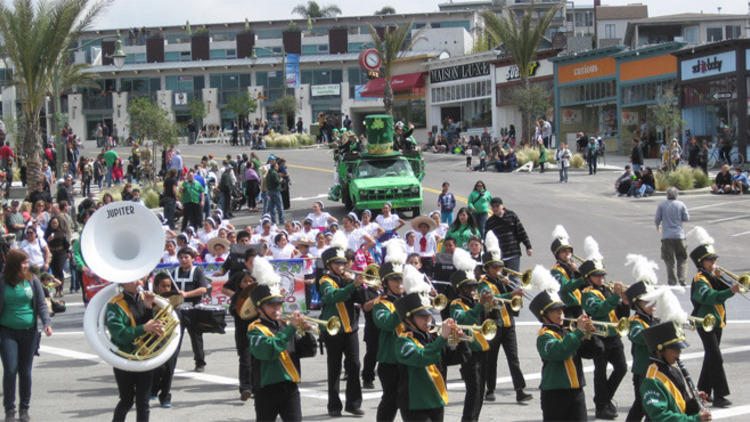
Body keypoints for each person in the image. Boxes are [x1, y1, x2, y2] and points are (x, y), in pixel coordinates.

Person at [247, 259, 316, 422]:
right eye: (271, 305)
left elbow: (307, 352)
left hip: (290, 388)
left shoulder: (285, 325)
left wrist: (306, 333)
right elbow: (269, 351)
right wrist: (292, 328)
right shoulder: (255, 329)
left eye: (279, 304)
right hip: (266, 389)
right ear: (260, 308)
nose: (277, 309)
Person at [478, 233, 531, 404]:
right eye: (494, 267)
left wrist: (510, 287)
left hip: (508, 324)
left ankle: (520, 390)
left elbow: (512, 302)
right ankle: (490, 389)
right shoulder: (483, 283)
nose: (498, 270)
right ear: (487, 268)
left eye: (500, 267)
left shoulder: (503, 281)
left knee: (513, 358)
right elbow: (491, 298)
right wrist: (511, 292)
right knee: (491, 359)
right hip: (494, 325)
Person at [688, 226, 738, 409]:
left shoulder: (713, 276)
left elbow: (730, 288)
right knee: (716, 358)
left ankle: (703, 390)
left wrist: (726, 281)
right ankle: (720, 395)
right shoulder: (700, 279)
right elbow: (708, 297)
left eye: (714, 259)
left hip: (717, 322)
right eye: (710, 260)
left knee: (711, 357)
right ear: (702, 262)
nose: (714, 262)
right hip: (705, 323)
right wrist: (728, 290)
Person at [0, 250, 52, 422]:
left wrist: (46, 323)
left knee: (25, 372)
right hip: (7, 331)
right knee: (10, 369)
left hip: (29, 332)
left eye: (27, 262)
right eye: (23, 262)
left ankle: (24, 409)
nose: (26, 265)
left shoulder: (32, 280)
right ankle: (9, 410)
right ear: (14, 263)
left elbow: (41, 303)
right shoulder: (3, 281)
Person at [530, 289, 595, 422]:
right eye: (555, 310)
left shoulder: (568, 332)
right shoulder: (544, 337)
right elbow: (560, 351)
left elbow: (592, 352)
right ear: (544, 316)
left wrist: (590, 335)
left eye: (561, 310)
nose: (561, 313)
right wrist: (578, 332)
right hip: (555, 394)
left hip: (576, 391)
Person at [107, 275, 163, 422]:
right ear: (123, 283)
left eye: (140, 279)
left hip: (145, 355)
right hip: (124, 356)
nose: (139, 282)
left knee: (143, 402)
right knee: (126, 400)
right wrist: (144, 327)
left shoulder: (145, 298)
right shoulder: (115, 304)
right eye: (134, 279)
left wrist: (149, 308)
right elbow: (119, 334)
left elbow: (150, 329)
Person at [318, 242, 365, 416]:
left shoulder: (347, 278)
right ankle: (334, 406)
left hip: (350, 328)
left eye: (343, 263)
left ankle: (353, 404)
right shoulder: (325, 280)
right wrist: (352, 285)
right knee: (335, 367)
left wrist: (358, 285)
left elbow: (360, 299)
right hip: (334, 329)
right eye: (337, 263)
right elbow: (332, 297)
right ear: (329, 265)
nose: (341, 266)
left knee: (354, 365)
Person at [580, 257, 629, 419]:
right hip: (599, 336)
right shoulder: (587, 294)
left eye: (602, 275)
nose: (601, 279)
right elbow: (599, 310)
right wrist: (615, 297)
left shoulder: (607, 290)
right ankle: (602, 406)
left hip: (614, 335)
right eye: (597, 276)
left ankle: (603, 400)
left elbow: (622, 314)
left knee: (621, 368)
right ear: (588, 278)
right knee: (600, 372)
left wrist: (625, 302)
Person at [449, 249, 494, 422]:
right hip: (468, 351)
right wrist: (479, 306)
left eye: (474, 287)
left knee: (480, 391)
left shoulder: (476, 302)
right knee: (473, 390)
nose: (473, 290)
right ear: (460, 289)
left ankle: (474, 419)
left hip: (482, 349)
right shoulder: (456, 304)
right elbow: (463, 321)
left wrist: (489, 306)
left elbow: (487, 322)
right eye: (468, 287)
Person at [394, 292, 453, 422]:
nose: (428, 320)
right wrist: (443, 338)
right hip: (415, 403)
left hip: (436, 398)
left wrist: (457, 342)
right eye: (422, 317)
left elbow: (453, 359)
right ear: (409, 320)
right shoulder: (403, 342)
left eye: (429, 315)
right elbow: (421, 358)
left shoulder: (432, 337)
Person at [640, 322, 712, 421]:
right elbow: (660, 417)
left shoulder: (674, 370)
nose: (679, 352)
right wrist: (695, 420)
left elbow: (681, 408)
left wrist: (694, 403)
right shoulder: (652, 379)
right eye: (675, 348)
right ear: (659, 350)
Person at [220, 247, 257, 401]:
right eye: (245, 282)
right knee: (245, 359)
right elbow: (236, 312)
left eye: (250, 282)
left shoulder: (259, 289)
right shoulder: (237, 296)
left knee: (258, 359)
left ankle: (257, 386)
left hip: (258, 330)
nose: (247, 283)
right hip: (243, 332)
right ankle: (245, 388)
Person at [371, 257, 405, 421]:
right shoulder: (380, 304)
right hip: (390, 359)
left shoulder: (410, 299)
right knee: (390, 400)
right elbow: (387, 324)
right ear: (385, 282)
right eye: (394, 279)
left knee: (409, 401)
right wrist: (404, 306)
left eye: (401, 279)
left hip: (409, 356)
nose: (399, 282)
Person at [624, 281, 659, 422]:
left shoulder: (655, 319)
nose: (652, 305)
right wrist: (660, 331)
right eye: (647, 302)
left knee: (647, 405)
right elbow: (638, 336)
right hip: (642, 371)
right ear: (637, 304)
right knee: (643, 405)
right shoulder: (634, 321)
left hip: (657, 369)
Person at [171, 247, 209, 372]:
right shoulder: (174, 272)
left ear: (192, 258)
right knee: (175, 338)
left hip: (193, 309)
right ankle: (171, 363)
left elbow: (203, 289)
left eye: (186, 257)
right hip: (177, 310)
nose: (183, 260)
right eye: (181, 257)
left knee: (196, 337)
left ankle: (200, 362)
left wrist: (186, 294)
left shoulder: (197, 271)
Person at [149, 273, 182, 409]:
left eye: (169, 285)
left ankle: (165, 396)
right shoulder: (151, 300)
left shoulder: (175, 298)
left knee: (170, 367)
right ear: (156, 287)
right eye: (163, 286)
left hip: (172, 336)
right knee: (158, 365)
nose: (167, 289)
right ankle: (154, 389)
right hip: (156, 337)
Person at [485, 197, 533, 276]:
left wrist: (528, 247)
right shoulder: (490, 222)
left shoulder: (511, 215)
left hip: (513, 252)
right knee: (501, 279)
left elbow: (521, 231)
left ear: (502, 206)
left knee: (514, 278)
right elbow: (487, 240)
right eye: (493, 207)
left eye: (497, 206)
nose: (495, 208)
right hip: (499, 257)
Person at [655, 187, 689, 286]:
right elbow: (686, 218)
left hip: (667, 236)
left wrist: (658, 226)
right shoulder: (681, 204)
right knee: (682, 258)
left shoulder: (662, 205)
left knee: (669, 260)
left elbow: (657, 219)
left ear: (667, 195)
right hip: (679, 235)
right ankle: (682, 278)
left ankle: (672, 281)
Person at [550, 225, 583, 318]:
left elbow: (584, 286)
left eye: (569, 251)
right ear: (557, 254)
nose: (568, 254)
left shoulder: (572, 267)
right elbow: (566, 287)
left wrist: (578, 272)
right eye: (564, 251)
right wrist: (582, 278)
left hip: (578, 304)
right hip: (566, 306)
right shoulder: (555, 270)